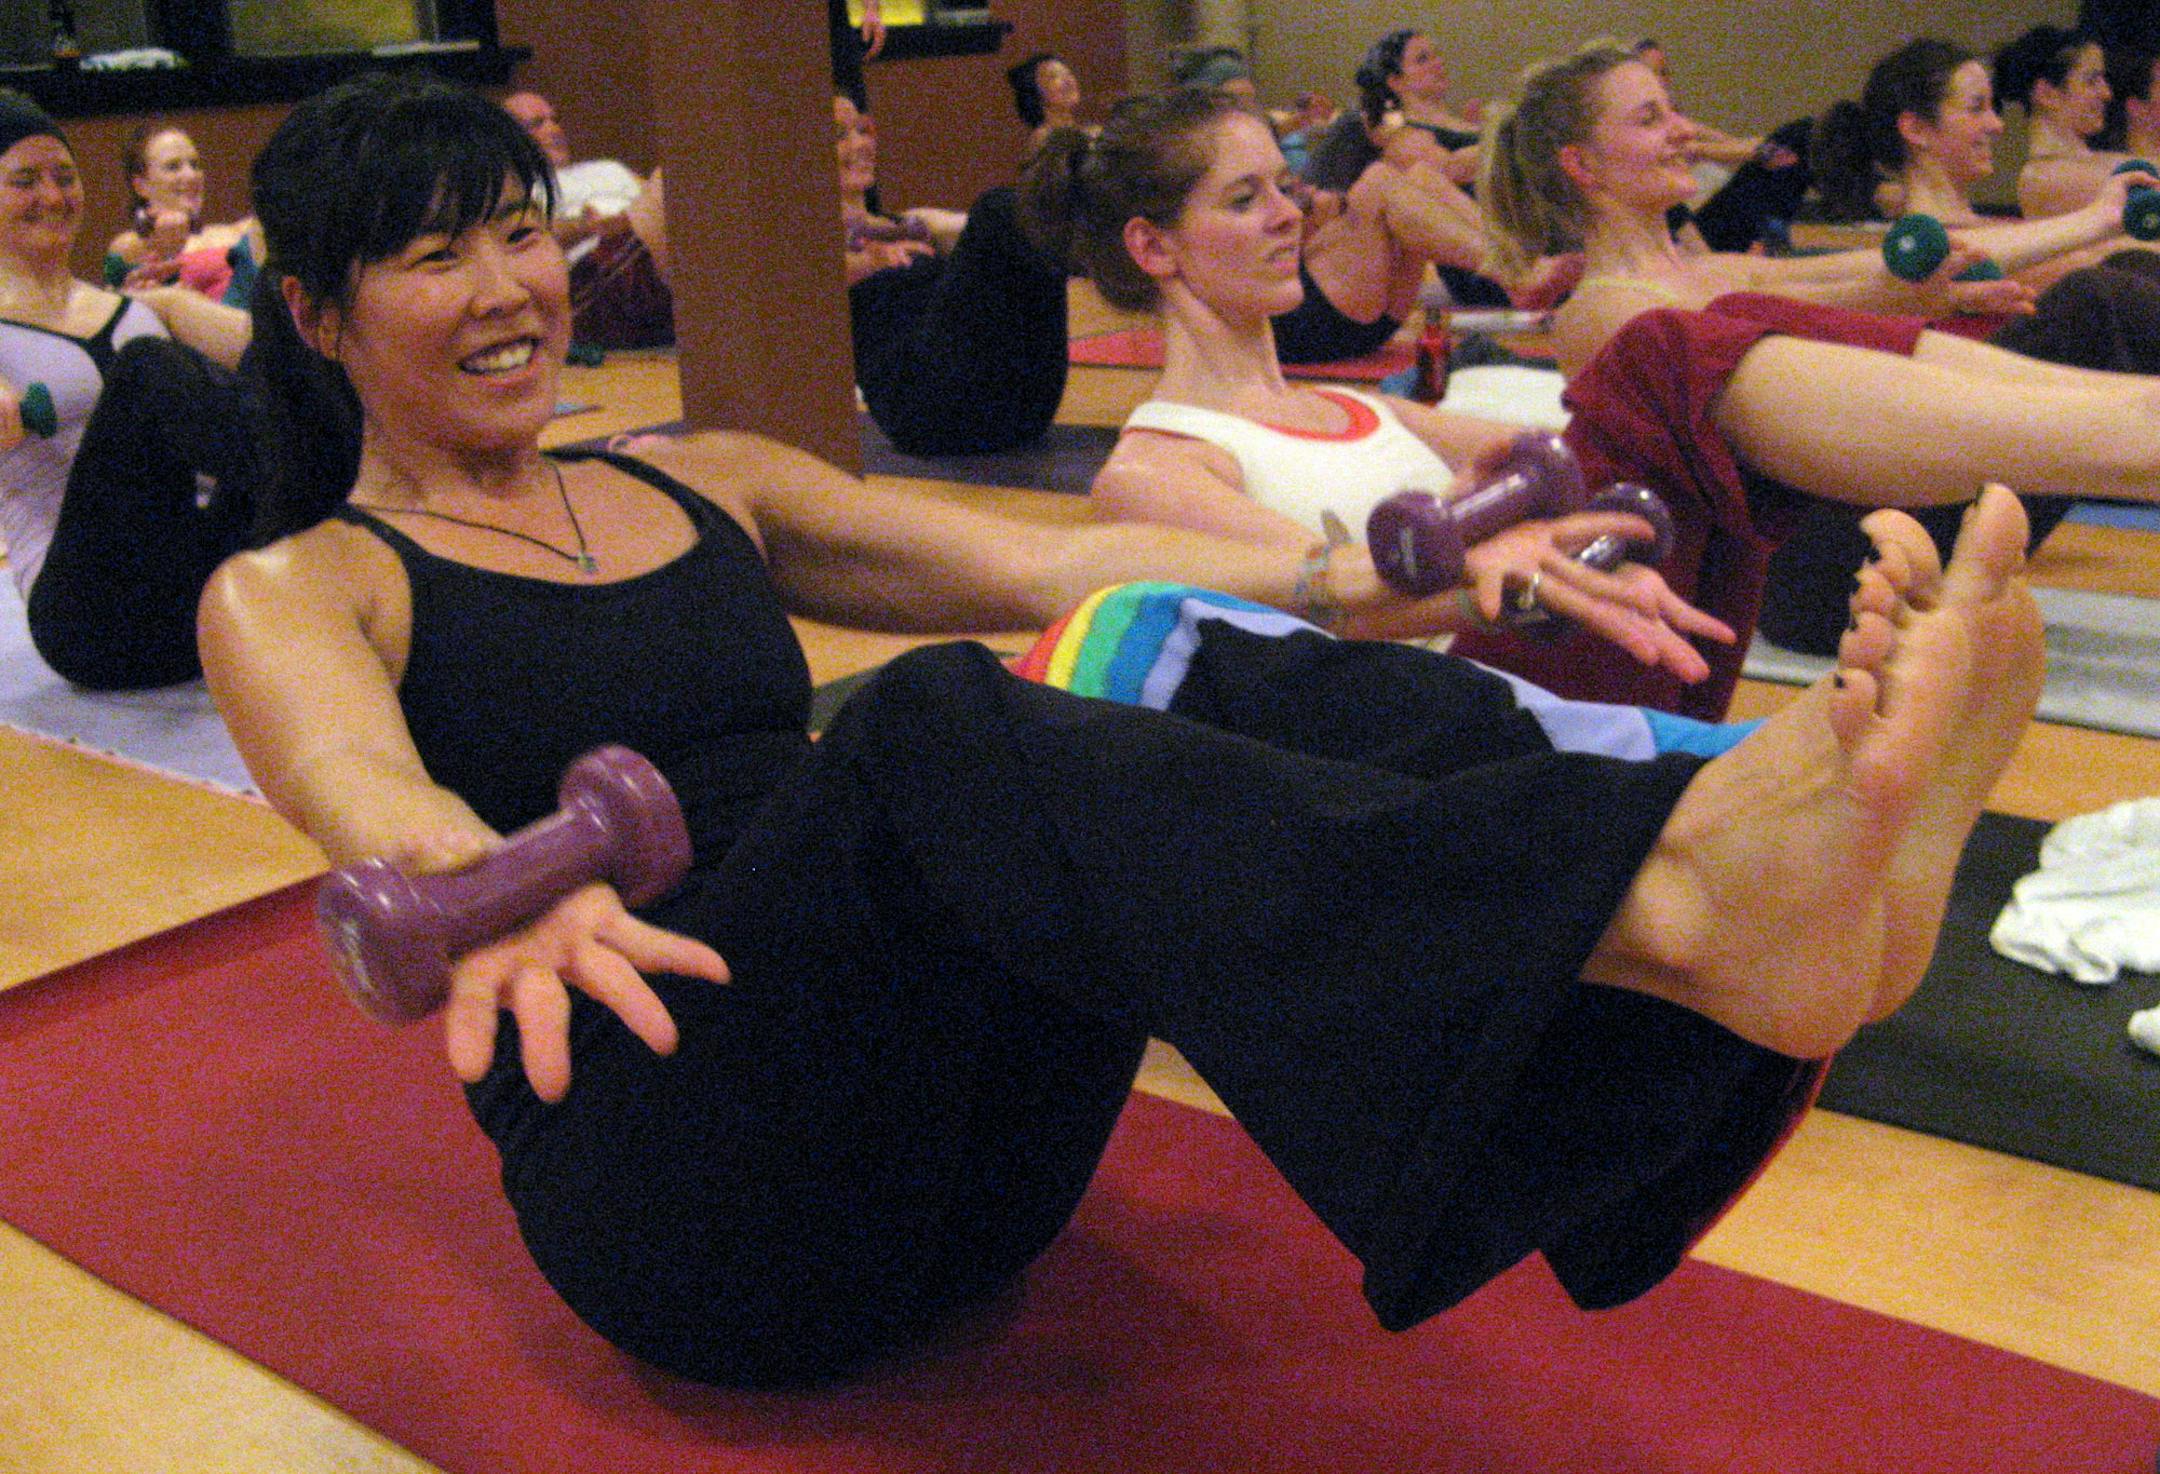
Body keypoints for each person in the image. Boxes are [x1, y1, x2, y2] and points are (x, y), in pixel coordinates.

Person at [199, 69, 2044, 1393]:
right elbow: (362, 791)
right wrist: (477, 881)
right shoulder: (305, 580)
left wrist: (1421, 561)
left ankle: (1698, 842)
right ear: (314, 313)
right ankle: (1672, 904)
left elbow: (1059, 548)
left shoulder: (708, 479)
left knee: (1129, 627)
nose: (510, 289)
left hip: (966, 1171)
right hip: (687, 1190)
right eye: (439, 257)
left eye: (521, 236)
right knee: (933, 725)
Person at [1466, 39, 2160, 711]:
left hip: (1854, 532)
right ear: (1582, 166)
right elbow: (1782, 307)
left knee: (2113, 287)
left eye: (1671, 110)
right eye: (1651, 119)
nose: (1683, 131)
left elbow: (1872, 272)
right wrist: (1903, 291)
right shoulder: (1596, 309)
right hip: (1812, 579)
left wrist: (2096, 225)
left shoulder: (1713, 269)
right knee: (2095, 306)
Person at [1030, 88, 1718, 654]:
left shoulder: (1355, 407)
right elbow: (1343, 606)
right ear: (1152, 245)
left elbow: (1583, 453)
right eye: (1244, 199)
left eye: (1284, 185)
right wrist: (1532, 581)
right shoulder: (1155, 471)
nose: (1287, 215)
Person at [0, 89, 266, 690]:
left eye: (64, 176)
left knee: (290, 372)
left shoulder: (142, 305)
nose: (52, 196)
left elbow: (278, 353)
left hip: (196, 608)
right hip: (91, 624)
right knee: (145, 366)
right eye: (25, 180)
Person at [836, 94, 1068, 455]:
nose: (860, 143)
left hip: (1022, 407)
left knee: (1022, 215)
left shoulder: (908, 223)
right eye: (839, 135)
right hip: (923, 411)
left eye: (861, 129)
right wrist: (870, 262)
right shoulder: (807, 243)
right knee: (996, 208)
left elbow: (971, 226)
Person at [502, 90, 672, 349]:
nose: (555, 129)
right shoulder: (517, 190)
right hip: (597, 277)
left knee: (671, 177)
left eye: (554, 120)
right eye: (537, 124)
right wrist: (589, 226)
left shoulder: (606, 169)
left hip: (647, 252)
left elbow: (658, 198)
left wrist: (628, 221)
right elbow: (524, 238)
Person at [102, 123, 264, 305]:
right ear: (141, 185)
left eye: (195, 165)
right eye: (173, 167)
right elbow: (109, 288)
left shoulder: (235, 231)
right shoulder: (130, 244)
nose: (191, 175)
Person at [1997, 25, 2132, 220]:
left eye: (2103, 80)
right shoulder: (2042, 178)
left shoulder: (2101, 161)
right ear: (2047, 94)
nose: (2106, 93)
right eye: (2092, 81)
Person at [1009, 51, 1087, 155]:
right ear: (1035, 92)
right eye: (1054, 77)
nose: (1068, 81)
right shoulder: (1043, 139)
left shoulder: (1086, 133)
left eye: (1068, 74)